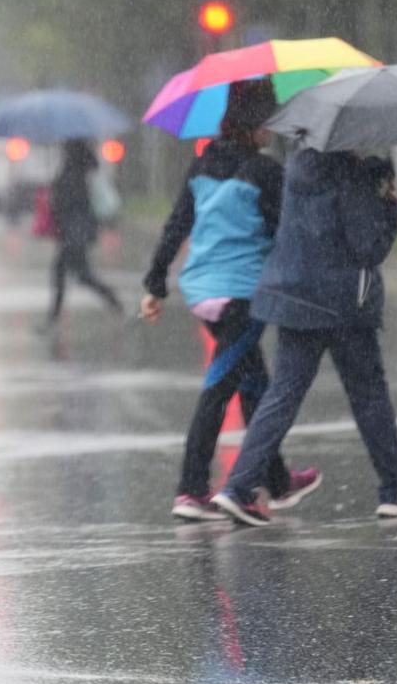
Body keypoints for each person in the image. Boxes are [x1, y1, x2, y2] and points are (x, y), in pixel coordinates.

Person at [212, 148, 397, 526]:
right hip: (342, 303)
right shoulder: (356, 174)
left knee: (283, 394)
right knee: (369, 394)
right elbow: (368, 246)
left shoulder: (300, 165)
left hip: (294, 295)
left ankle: (238, 487)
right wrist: (390, 208)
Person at [140, 80, 321, 521]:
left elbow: (177, 224)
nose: (272, 131)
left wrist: (156, 283)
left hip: (201, 289)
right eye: (268, 122)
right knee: (219, 388)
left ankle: (277, 481)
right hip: (242, 293)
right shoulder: (265, 171)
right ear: (255, 125)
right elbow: (286, 232)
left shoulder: (202, 165)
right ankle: (191, 489)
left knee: (253, 383)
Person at [44, 138, 122, 326]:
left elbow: (68, 203)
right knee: (69, 273)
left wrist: (55, 195)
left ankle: (114, 301)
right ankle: (53, 318)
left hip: (74, 231)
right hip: (75, 230)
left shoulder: (73, 170)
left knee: (75, 274)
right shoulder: (80, 167)